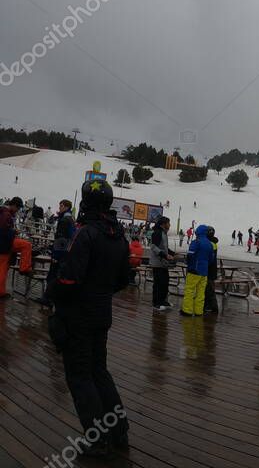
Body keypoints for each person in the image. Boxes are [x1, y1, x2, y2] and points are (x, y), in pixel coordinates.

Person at [45, 177, 130, 456]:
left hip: (78, 315)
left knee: (80, 375)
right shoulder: (119, 236)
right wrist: (101, 292)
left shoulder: (86, 233)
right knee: (99, 371)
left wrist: (53, 290)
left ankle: (96, 439)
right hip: (101, 313)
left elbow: (70, 279)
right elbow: (124, 279)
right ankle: (118, 430)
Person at [0, 196, 33, 298]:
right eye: (18, 208)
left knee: (3, 270)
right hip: (5, 244)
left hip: (4, 245)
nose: (18, 210)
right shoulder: (6, 214)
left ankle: (1, 292)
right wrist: (14, 232)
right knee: (27, 245)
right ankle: (24, 268)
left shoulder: (3, 212)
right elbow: (3, 230)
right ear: (14, 205)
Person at [181, 225, 213, 317]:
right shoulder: (209, 244)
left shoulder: (196, 242)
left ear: (198, 232)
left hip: (194, 270)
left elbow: (190, 255)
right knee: (201, 292)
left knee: (189, 290)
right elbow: (211, 259)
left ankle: (187, 310)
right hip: (204, 271)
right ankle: (198, 311)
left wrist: (189, 264)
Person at [149, 216, 176, 311]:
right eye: (168, 223)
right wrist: (165, 255)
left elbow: (164, 248)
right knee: (158, 283)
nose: (169, 225)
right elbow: (153, 247)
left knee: (165, 282)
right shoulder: (157, 233)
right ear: (163, 224)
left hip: (163, 263)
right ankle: (156, 303)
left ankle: (163, 301)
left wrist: (173, 253)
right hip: (158, 263)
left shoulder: (164, 233)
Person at [203, 228, 219, 314]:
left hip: (209, 269)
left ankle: (211, 307)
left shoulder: (210, 243)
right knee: (209, 288)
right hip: (211, 269)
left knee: (209, 289)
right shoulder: (213, 243)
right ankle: (211, 306)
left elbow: (209, 258)